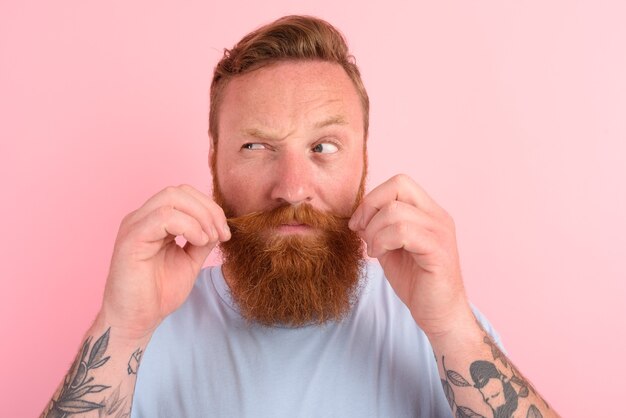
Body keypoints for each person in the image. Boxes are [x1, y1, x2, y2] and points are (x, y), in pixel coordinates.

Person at [41, 15, 558, 418]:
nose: (291, 188)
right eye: (256, 145)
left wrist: (451, 325)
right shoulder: (148, 328)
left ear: (363, 163)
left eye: (324, 146)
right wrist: (122, 326)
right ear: (214, 161)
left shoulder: (436, 323)